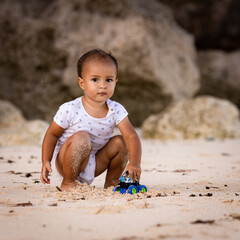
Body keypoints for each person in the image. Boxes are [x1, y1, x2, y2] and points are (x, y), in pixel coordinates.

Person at [40, 49, 142, 191]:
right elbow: (52, 134)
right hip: (67, 163)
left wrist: (135, 163)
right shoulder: (70, 108)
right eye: (95, 79)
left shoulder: (116, 109)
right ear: (82, 83)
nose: (103, 85)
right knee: (82, 137)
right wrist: (46, 160)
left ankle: (112, 182)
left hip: (94, 163)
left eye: (109, 80)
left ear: (115, 82)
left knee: (122, 141)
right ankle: (68, 182)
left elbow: (131, 136)